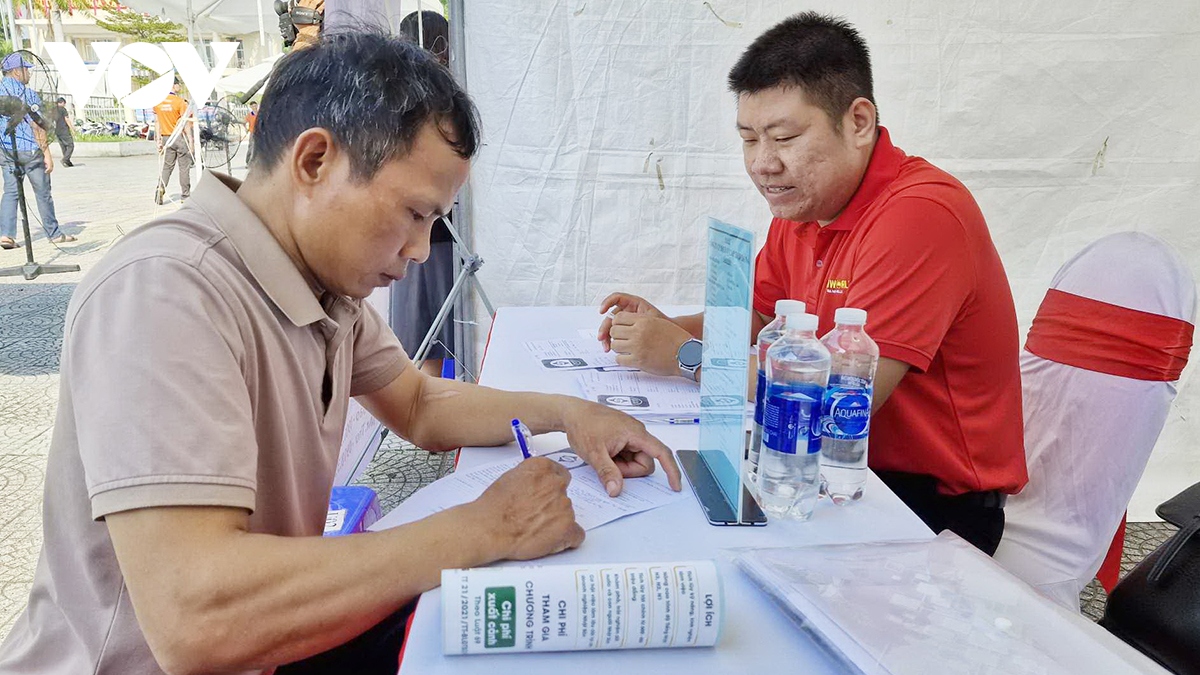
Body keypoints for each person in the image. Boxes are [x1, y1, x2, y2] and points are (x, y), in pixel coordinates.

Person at [0, 32, 680, 675]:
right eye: (414, 214)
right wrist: (484, 527)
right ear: (315, 161)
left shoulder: (321, 288)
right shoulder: (166, 291)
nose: (420, 251)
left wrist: (570, 411)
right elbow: (194, 617)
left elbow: (418, 402)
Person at [598, 12, 1026, 555]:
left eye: (785, 138)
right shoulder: (804, 206)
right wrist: (662, 328)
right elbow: (756, 320)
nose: (762, 164)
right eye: (748, 139)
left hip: (921, 502)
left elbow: (841, 399)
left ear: (859, 122)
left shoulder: (921, 215)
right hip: (809, 466)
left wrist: (684, 354)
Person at [391, 9, 457, 377]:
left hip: (442, 233)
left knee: (433, 337)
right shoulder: (406, 99)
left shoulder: (440, 100)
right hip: (429, 232)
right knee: (430, 337)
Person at [0, 52, 73, 248]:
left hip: (6, 151)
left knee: (11, 191)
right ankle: (54, 233)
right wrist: (47, 153)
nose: (29, 74)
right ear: (16, 71)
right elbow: (38, 125)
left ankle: (6, 235)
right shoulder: (28, 94)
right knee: (42, 191)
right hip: (30, 150)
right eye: (27, 70)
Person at [154, 80, 192, 204]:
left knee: (167, 166)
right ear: (172, 86)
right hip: (179, 137)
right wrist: (190, 140)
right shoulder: (180, 102)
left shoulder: (158, 103)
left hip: (166, 137)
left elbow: (157, 122)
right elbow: (184, 122)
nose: (179, 86)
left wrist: (158, 140)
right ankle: (185, 196)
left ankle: (160, 188)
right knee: (184, 167)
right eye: (178, 84)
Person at [52, 97, 74, 167]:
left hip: (57, 131)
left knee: (63, 146)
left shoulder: (53, 110)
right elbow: (66, 119)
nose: (64, 105)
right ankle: (65, 159)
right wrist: (72, 129)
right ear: (62, 103)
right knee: (70, 145)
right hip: (64, 130)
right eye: (64, 103)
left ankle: (67, 161)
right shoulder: (63, 109)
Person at [245, 99, 258, 164]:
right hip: (252, 132)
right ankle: (248, 162)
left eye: (255, 106)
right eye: (253, 106)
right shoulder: (250, 115)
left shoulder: (260, 114)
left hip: (259, 133)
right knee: (251, 147)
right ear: (251, 107)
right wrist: (246, 128)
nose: (255, 107)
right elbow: (244, 122)